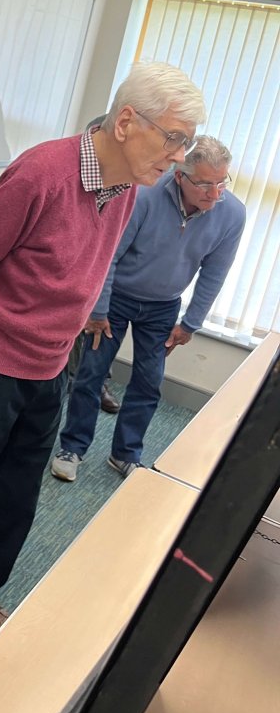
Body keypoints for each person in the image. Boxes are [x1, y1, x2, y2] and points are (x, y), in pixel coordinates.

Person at [0, 63, 206, 704]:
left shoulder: (127, 190)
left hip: (50, 365)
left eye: (188, 142)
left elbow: (86, 276)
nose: (180, 156)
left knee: (14, 497)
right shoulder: (42, 174)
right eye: (175, 138)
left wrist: (58, 348)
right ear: (127, 122)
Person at [51, 135, 245, 482]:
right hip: (116, 298)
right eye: (204, 184)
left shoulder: (232, 214)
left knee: (149, 382)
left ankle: (125, 454)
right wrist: (98, 310)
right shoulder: (142, 194)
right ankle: (73, 447)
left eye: (221, 183)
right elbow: (108, 256)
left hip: (163, 306)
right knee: (91, 373)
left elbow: (215, 272)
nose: (215, 193)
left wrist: (191, 323)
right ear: (179, 176)